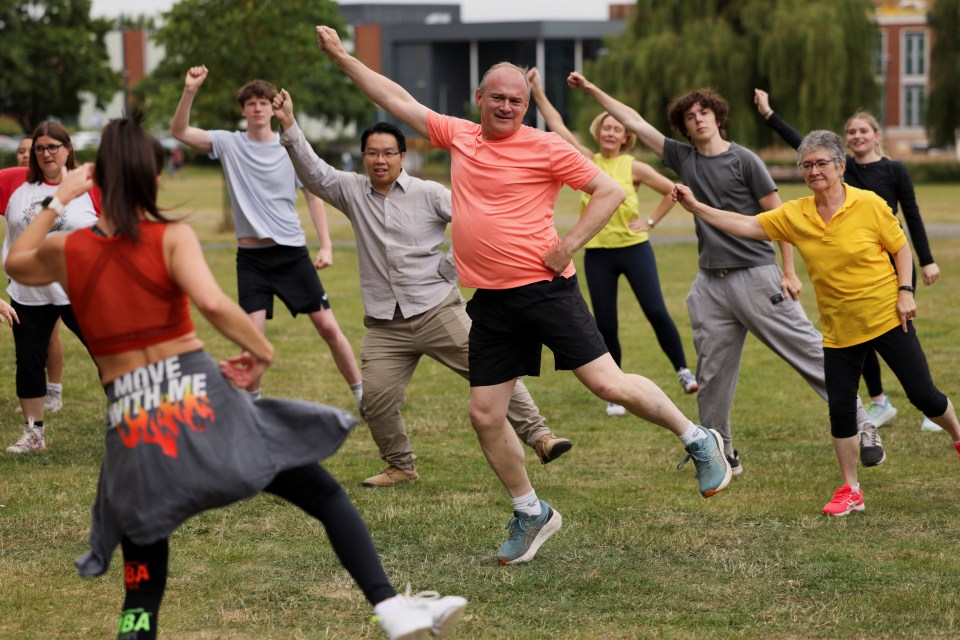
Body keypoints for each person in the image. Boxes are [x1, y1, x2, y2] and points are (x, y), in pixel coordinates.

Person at [4, 118, 467, 640]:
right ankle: (389, 606)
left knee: (142, 584)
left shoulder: (71, 251)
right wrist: (259, 350)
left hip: (134, 426)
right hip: (199, 401)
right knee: (323, 494)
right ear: (155, 181)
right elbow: (214, 304)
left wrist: (60, 198)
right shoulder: (170, 236)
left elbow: (17, 262)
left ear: (97, 180)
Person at [314, 25, 731, 565]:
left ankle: (699, 438)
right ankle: (532, 512)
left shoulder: (547, 147)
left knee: (607, 383)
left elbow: (607, 191)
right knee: (485, 415)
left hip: (546, 291)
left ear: (527, 104)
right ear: (479, 100)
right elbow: (394, 97)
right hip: (491, 300)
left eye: (518, 99)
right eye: (499, 98)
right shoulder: (460, 135)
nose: (508, 106)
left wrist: (571, 242)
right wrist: (343, 58)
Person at [567, 72, 882, 475]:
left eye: (704, 113)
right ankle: (722, 454)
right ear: (684, 127)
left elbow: (779, 215)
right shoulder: (683, 158)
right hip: (709, 284)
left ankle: (864, 425)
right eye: (690, 116)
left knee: (810, 355)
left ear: (717, 117)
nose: (698, 120)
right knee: (711, 376)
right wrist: (593, 90)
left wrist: (787, 271)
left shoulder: (744, 159)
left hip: (757, 275)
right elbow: (634, 122)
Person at [273, 95, 573, 487]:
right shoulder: (351, 192)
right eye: (372, 153)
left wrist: (447, 266)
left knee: (493, 372)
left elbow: (475, 223)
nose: (380, 161)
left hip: (437, 310)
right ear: (363, 157)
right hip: (385, 323)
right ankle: (400, 466)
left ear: (402, 156)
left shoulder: (429, 193)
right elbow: (314, 174)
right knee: (376, 399)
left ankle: (540, 437)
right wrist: (290, 124)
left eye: (388, 153)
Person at [673, 129, 960, 515]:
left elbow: (899, 247)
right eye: (806, 165)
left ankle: (957, 436)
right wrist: (696, 207)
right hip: (839, 331)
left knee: (923, 394)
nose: (814, 171)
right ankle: (850, 489)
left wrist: (905, 290)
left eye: (822, 163)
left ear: (840, 166)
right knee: (840, 410)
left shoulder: (870, 204)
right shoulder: (796, 213)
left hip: (886, 317)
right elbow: (746, 225)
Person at [172, 65, 363, 411]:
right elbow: (180, 131)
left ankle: (364, 397)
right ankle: (251, 409)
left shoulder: (289, 147)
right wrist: (190, 90)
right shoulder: (228, 143)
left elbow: (313, 195)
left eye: (264, 102)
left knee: (330, 329)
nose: (258, 108)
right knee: (252, 339)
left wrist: (327, 244)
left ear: (273, 109)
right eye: (251, 103)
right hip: (252, 261)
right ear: (243, 109)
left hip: (291, 254)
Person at [754, 91, 942, 433]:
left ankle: (930, 405)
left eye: (863, 131)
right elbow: (804, 146)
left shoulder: (894, 170)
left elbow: (911, 217)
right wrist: (770, 117)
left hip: (887, 260)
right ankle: (879, 399)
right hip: (848, 261)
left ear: (876, 135)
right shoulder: (842, 168)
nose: (857, 136)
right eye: (851, 132)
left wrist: (925, 261)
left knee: (899, 337)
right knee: (857, 335)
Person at [527, 67, 697, 419]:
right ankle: (616, 392)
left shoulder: (633, 166)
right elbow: (558, 126)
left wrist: (650, 221)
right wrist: (538, 92)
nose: (611, 131)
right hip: (599, 254)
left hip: (634, 249)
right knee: (607, 323)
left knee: (655, 310)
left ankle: (682, 370)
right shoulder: (586, 161)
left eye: (617, 128)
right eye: (606, 127)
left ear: (624, 137)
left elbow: (674, 191)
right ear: (599, 133)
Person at [1, 122, 100, 453]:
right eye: (40, 148)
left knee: (109, 356)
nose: (45, 153)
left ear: (68, 149)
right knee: (29, 362)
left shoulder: (90, 183)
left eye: (53, 147)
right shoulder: (13, 182)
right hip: (28, 291)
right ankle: (33, 434)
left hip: (80, 290)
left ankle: (129, 425)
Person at [9, 136, 65, 413]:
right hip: (24, 282)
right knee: (29, 348)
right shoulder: (13, 185)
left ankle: (53, 389)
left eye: (30, 151)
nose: (26, 156)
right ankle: (34, 417)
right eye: (22, 151)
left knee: (52, 337)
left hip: (63, 282)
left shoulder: (67, 185)